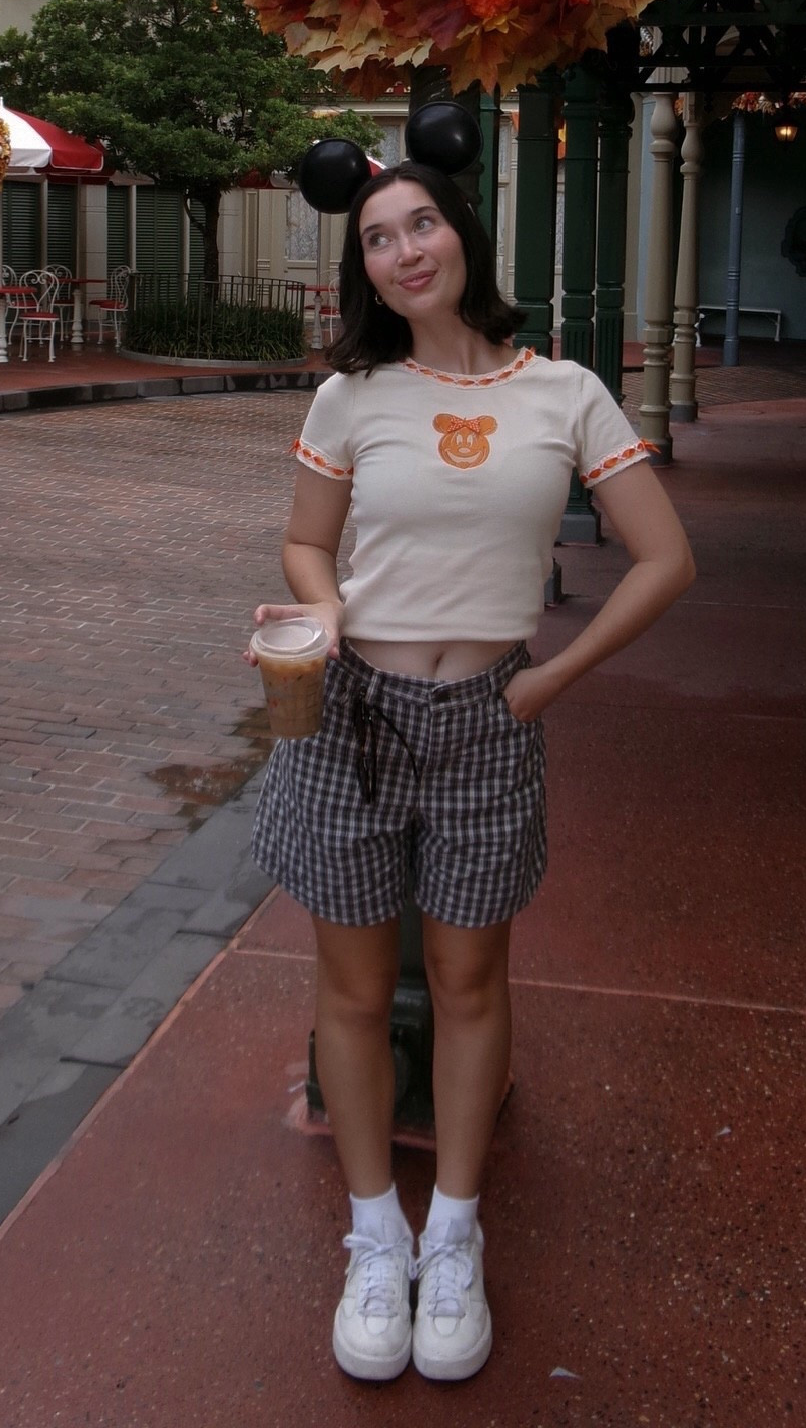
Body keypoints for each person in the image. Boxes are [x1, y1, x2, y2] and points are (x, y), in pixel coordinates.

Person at [249, 156, 695, 1385]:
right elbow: (305, 542)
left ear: (463, 236)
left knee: (468, 979)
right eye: (379, 238)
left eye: (422, 224)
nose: (404, 250)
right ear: (367, 269)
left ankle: (452, 1229)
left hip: (492, 717)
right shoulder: (351, 395)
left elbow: (665, 557)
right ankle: (372, 1232)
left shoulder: (566, 392)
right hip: (351, 714)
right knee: (350, 990)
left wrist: (551, 678)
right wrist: (323, 612)